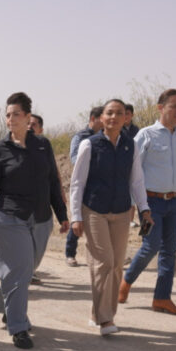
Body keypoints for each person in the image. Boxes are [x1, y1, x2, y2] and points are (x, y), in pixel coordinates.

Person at [0, 92, 68, 349]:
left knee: (26, 270)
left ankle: (10, 307)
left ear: (28, 117)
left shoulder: (43, 145)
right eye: (7, 115)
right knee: (19, 270)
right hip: (9, 217)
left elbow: (52, 181)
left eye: (16, 114)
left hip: (41, 218)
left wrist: (62, 215)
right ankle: (18, 326)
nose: (10, 119)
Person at [69, 100, 153, 335]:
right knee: (103, 262)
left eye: (119, 113)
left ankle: (100, 313)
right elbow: (77, 183)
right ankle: (106, 320)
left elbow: (136, 180)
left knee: (116, 265)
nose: (114, 117)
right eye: (109, 113)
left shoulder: (131, 146)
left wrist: (144, 209)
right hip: (94, 210)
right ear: (102, 118)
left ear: (126, 118)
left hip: (121, 211)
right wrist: (76, 216)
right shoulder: (90, 145)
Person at [119, 89, 176, 315]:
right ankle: (126, 281)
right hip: (150, 203)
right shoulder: (146, 135)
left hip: (175, 202)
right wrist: (133, 204)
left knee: (170, 251)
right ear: (161, 108)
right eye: (174, 106)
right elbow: (132, 170)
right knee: (151, 246)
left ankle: (162, 298)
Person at [63, 106, 103, 267]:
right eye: (103, 118)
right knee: (78, 221)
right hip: (84, 186)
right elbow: (74, 158)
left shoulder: (106, 137)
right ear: (93, 119)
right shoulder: (80, 137)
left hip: (101, 187)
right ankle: (70, 254)